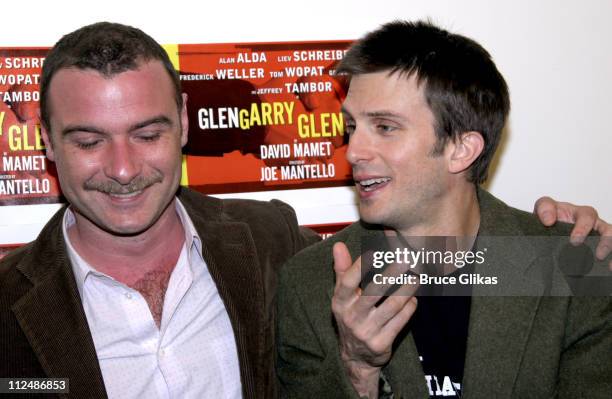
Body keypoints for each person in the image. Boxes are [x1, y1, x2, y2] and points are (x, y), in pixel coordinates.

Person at [0, 21, 607, 399]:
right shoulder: (311, 274)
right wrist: (358, 365)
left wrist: (571, 246)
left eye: (147, 132)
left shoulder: (272, 243)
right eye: (87, 141)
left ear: (184, 123)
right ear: (47, 144)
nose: (124, 167)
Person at [276, 20, 612, 398]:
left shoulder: (572, 268)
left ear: (461, 149)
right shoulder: (310, 285)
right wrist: (357, 370)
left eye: (385, 127)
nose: (353, 151)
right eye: (352, 126)